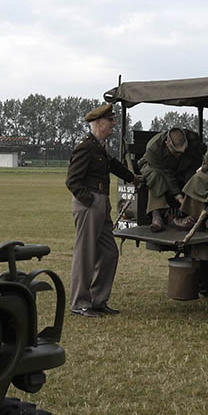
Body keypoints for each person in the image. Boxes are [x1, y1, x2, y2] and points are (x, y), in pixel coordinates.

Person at [66, 103, 137, 317]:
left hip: (100, 203)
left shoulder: (99, 146)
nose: (114, 124)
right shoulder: (85, 147)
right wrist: (89, 201)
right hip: (90, 204)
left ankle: (97, 300)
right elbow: (72, 181)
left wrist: (133, 178)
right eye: (110, 121)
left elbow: (113, 164)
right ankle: (80, 303)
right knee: (86, 253)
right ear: (98, 123)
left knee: (109, 252)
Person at [139, 127, 202, 231]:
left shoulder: (193, 141)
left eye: (182, 151)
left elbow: (196, 163)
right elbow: (166, 174)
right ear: (167, 144)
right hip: (154, 166)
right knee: (156, 177)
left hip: (181, 168)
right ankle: (157, 214)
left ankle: (194, 214)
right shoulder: (154, 147)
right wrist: (179, 197)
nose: (179, 154)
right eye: (177, 152)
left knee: (194, 179)